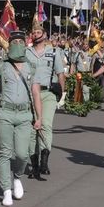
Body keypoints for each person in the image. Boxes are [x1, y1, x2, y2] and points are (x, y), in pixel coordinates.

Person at [0, 32, 43, 206]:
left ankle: (17, 177)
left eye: (21, 41)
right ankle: (6, 190)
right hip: (5, 113)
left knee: (21, 154)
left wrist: (39, 117)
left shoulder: (31, 66)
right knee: (5, 153)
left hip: (24, 114)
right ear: (9, 44)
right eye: (14, 41)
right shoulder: (1, 66)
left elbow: (36, 93)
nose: (18, 44)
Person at [28, 31, 65, 180]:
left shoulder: (53, 52)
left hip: (48, 93)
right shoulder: (26, 52)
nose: (36, 34)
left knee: (45, 124)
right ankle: (34, 165)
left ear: (44, 35)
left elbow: (60, 73)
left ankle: (44, 161)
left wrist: (62, 95)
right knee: (32, 129)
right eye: (34, 32)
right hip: (30, 94)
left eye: (39, 32)